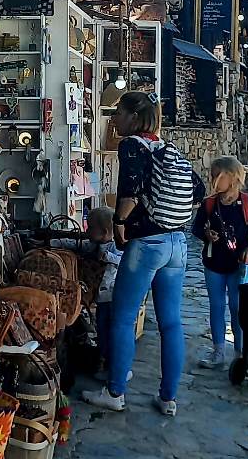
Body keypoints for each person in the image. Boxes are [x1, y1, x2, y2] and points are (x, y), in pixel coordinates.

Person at [84, 94, 205, 419]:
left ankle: (115, 392)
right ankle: (168, 398)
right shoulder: (167, 148)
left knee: (123, 318)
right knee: (171, 323)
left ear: (134, 116)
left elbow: (131, 189)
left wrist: (120, 223)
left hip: (147, 244)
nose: (113, 119)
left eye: (118, 112)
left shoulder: (132, 146)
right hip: (177, 242)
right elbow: (198, 190)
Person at [192, 158, 248, 367]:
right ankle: (218, 351)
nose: (212, 180)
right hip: (214, 264)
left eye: (217, 176)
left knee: (238, 308)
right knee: (216, 306)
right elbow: (196, 228)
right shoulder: (209, 204)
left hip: (239, 266)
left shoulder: (247, 204)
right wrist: (206, 235)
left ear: (232, 178)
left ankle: (240, 353)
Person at [84, 206, 122, 368]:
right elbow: (78, 245)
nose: (87, 231)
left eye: (91, 228)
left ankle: (111, 362)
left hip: (112, 297)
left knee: (109, 330)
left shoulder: (116, 246)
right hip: (101, 298)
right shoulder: (95, 245)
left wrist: (107, 256)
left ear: (105, 232)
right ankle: (104, 359)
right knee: (101, 328)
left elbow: (122, 260)